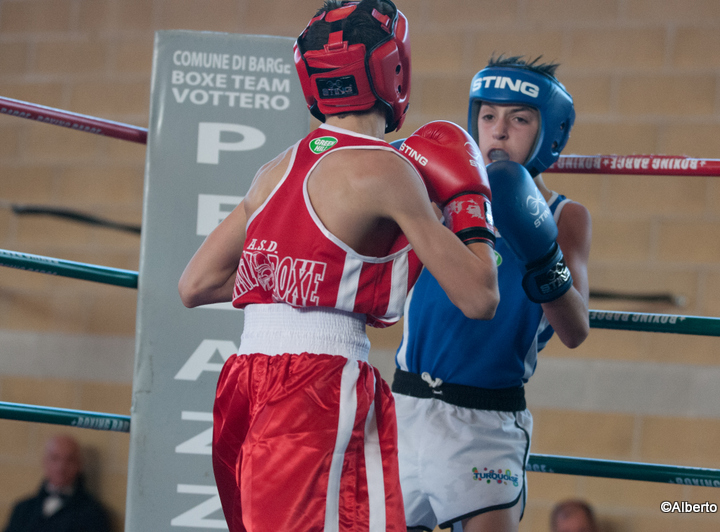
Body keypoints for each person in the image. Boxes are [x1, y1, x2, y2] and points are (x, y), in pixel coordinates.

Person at [178, 1, 499, 530]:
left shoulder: (275, 168)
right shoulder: (387, 169)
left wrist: (299, 275)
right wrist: (470, 204)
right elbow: (479, 296)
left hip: (242, 382)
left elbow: (196, 284)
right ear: (393, 68)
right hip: (318, 386)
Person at [392, 55, 592, 532]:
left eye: (519, 119)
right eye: (488, 116)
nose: (499, 131)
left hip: (487, 420)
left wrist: (541, 253)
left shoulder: (566, 216)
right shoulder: (434, 195)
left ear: (551, 134)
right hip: (405, 407)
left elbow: (576, 330)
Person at [3, 434, 111, 532]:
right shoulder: (23, 509)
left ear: (79, 465)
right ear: (45, 461)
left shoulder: (93, 514)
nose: (61, 467)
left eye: (69, 460)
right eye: (55, 458)